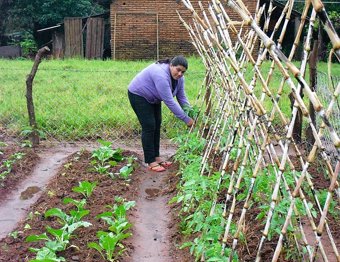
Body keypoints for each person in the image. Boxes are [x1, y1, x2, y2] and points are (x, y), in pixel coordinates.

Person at [128, 55, 194, 172]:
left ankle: (157, 158)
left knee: (157, 124)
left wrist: (191, 112)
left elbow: (182, 97)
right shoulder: (161, 75)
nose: (180, 74)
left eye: (182, 72)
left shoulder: (179, 79)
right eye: (178, 70)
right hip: (138, 94)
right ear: (171, 65)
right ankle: (150, 161)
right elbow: (169, 101)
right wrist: (186, 119)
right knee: (149, 125)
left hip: (154, 97)